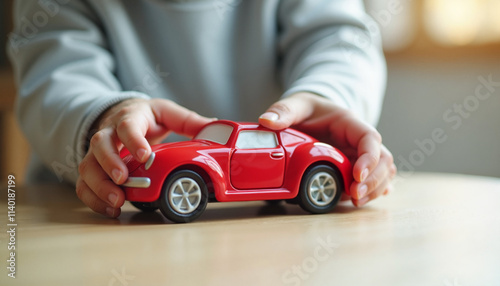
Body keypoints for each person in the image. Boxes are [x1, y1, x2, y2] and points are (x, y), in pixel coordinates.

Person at [8, 0, 396, 218]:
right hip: (72, 203)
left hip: (277, 229)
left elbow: (338, 38)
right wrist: (105, 115)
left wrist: (326, 96)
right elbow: (53, 67)